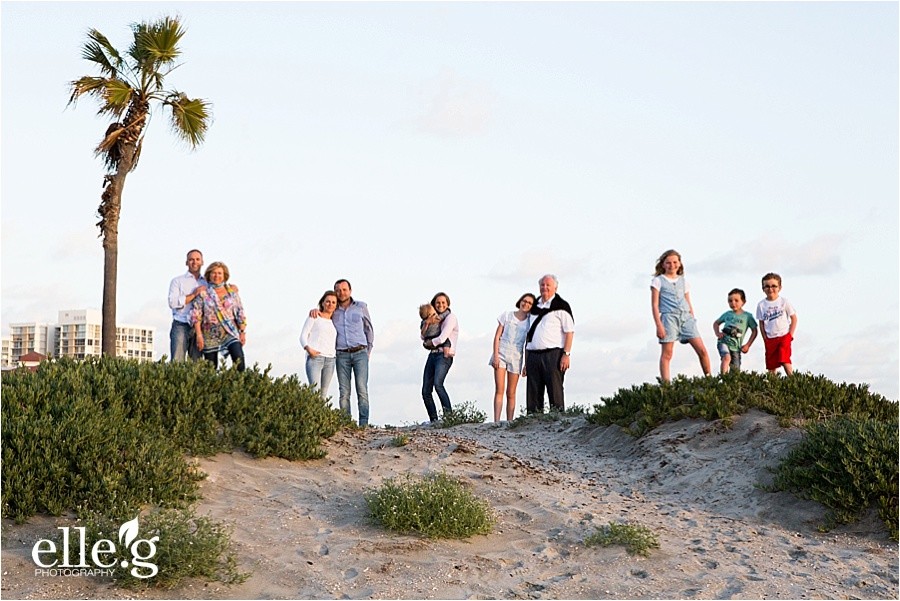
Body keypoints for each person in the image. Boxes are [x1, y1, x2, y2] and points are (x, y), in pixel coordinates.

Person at [311, 279, 374, 426]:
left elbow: (369, 329)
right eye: (338, 290)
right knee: (344, 391)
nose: (341, 293)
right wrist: (314, 310)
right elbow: (321, 317)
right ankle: (347, 424)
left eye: (344, 290)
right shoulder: (333, 309)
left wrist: (369, 350)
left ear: (350, 291)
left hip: (360, 352)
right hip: (341, 355)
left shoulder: (361, 307)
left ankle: (363, 425)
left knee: (362, 389)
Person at [650, 249, 711, 382]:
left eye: (675, 262)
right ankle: (666, 385)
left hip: (686, 317)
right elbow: (655, 305)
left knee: (702, 350)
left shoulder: (684, 281)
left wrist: (692, 318)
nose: (672, 265)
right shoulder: (658, 281)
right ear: (663, 265)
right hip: (669, 318)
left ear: (679, 263)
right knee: (667, 353)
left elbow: (688, 301)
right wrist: (658, 325)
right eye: (668, 263)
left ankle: (709, 379)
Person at [524, 275, 574, 414]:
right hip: (533, 354)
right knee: (533, 393)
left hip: (553, 354)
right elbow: (528, 333)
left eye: (548, 285)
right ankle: (533, 421)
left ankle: (557, 420)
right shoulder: (533, 307)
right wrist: (526, 361)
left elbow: (569, 332)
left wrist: (566, 354)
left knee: (555, 390)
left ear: (555, 288)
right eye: (542, 285)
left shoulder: (562, 306)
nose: (544, 288)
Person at [191, 261, 247, 371]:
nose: (217, 276)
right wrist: (199, 335)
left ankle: (239, 386)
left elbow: (240, 311)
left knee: (239, 359)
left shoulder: (231, 291)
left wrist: (242, 332)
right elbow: (196, 315)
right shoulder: (204, 293)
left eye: (220, 273)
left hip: (230, 331)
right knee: (210, 368)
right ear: (209, 275)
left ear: (224, 275)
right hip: (209, 334)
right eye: (214, 273)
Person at [490, 293, 535, 422]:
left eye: (529, 303)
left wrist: (526, 364)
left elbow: (527, 344)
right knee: (499, 389)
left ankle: (510, 421)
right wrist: (496, 356)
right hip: (502, 353)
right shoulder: (507, 315)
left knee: (511, 392)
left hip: (516, 357)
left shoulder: (529, 323)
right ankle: (496, 421)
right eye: (524, 301)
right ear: (520, 301)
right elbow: (497, 336)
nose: (526, 304)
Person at [420, 292, 459, 423]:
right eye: (438, 302)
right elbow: (422, 336)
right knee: (426, 390)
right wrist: (427, 324)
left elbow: (443, 337)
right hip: (432, 355)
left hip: (444, 355)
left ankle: (449, 417)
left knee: (438, 384)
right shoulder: (430, 318)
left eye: (443, 302)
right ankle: (434, 420)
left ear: (448, 304)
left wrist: (428, 343)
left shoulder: (450, 317)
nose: (440, 305)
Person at [755, 273, 798, 375]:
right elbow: (761, 323)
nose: (770, 289)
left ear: (779, 287)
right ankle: (773, 386)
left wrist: (790, 335)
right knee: (771, 364)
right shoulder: (761, 305)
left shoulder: (784, 302)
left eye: (774, 286)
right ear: (763, 288)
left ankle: (793, 381)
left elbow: (794, 318)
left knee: (784, 359)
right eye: (767, 286)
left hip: (783, 336)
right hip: (770, 338)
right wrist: (765, 337)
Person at [167, 249, 206, 361]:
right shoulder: (177, 281)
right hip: (181, 324)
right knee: (177, 361)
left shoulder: (207, 283)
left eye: (197, 259)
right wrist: (194, 294)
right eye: (191, 259)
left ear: (202, 262)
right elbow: (172, 302)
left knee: (197, 364)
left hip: (200, 327)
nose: (194, 262)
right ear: (186, 262)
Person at [300, 290, 338, 394]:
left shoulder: (335, 321)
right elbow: (303, 335)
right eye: (328, 301)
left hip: (330, 360)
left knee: (323, 394)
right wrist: (308, 349)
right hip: (315, 358)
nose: (330, 304)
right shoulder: (314, 316)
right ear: (322, 303)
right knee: (315, 392)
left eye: (333, 302)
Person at [713, 288, 758, 374]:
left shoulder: (747, 316)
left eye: (736, 300)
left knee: (735, 370)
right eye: (730, 301)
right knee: (726, 357)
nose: (733, 303)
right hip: (724, 342)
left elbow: (754, 331)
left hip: (736, 347)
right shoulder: (727, 314)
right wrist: (717, 333)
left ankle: (730, 385)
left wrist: (748, 345)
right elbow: (716, 323)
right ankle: (724, 378)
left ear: (743, 302)